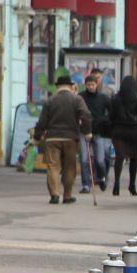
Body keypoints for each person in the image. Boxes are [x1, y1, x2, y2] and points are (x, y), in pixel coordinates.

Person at [33, 71, 90, 204]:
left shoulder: (50, 100)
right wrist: (87, 131)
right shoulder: (77, 99)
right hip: (71, 138)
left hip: (52, 138)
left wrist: (37, 137)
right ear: (70, 86)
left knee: (53, 166)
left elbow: (42, 121)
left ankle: (54, 194)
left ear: (57, 86)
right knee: (69, 167)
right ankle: (67, 195)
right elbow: (85, 115)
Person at [109, 73, 137, 196]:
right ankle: (132, 185)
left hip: (118, 131)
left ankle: (117, 183)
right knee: (134, 158)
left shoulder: (115, 99)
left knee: (120, 157)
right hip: (133, 131)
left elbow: (111, 116)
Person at [78, 71, 113, 193]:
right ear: (85, 85)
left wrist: (104, 120)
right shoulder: (80, 97)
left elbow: (111, 112)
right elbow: (76, 111)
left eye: (93, 84)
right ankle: (85, 184)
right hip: (84, 131)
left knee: (99, 160)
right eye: (88, 85)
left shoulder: (103, 98)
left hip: (98, 132)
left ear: (96, 84)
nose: (91, 87)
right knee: (84, 159)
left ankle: (102, 177)